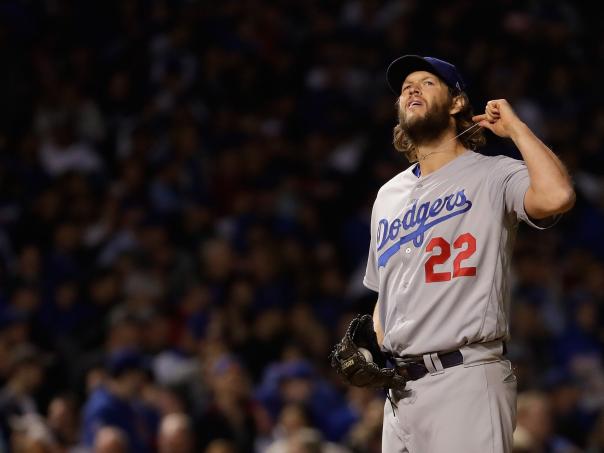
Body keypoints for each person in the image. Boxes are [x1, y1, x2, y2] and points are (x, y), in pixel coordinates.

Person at [359, 55, 575, 452]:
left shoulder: (492, 174)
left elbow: (557, 195)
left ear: (457, 102)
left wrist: (516, 129)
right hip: (399, 392)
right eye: (406, 87)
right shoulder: (388, 195)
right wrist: (373, 346)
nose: (412, 89)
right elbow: (385, 292)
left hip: (465, 377)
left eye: (427, 82)